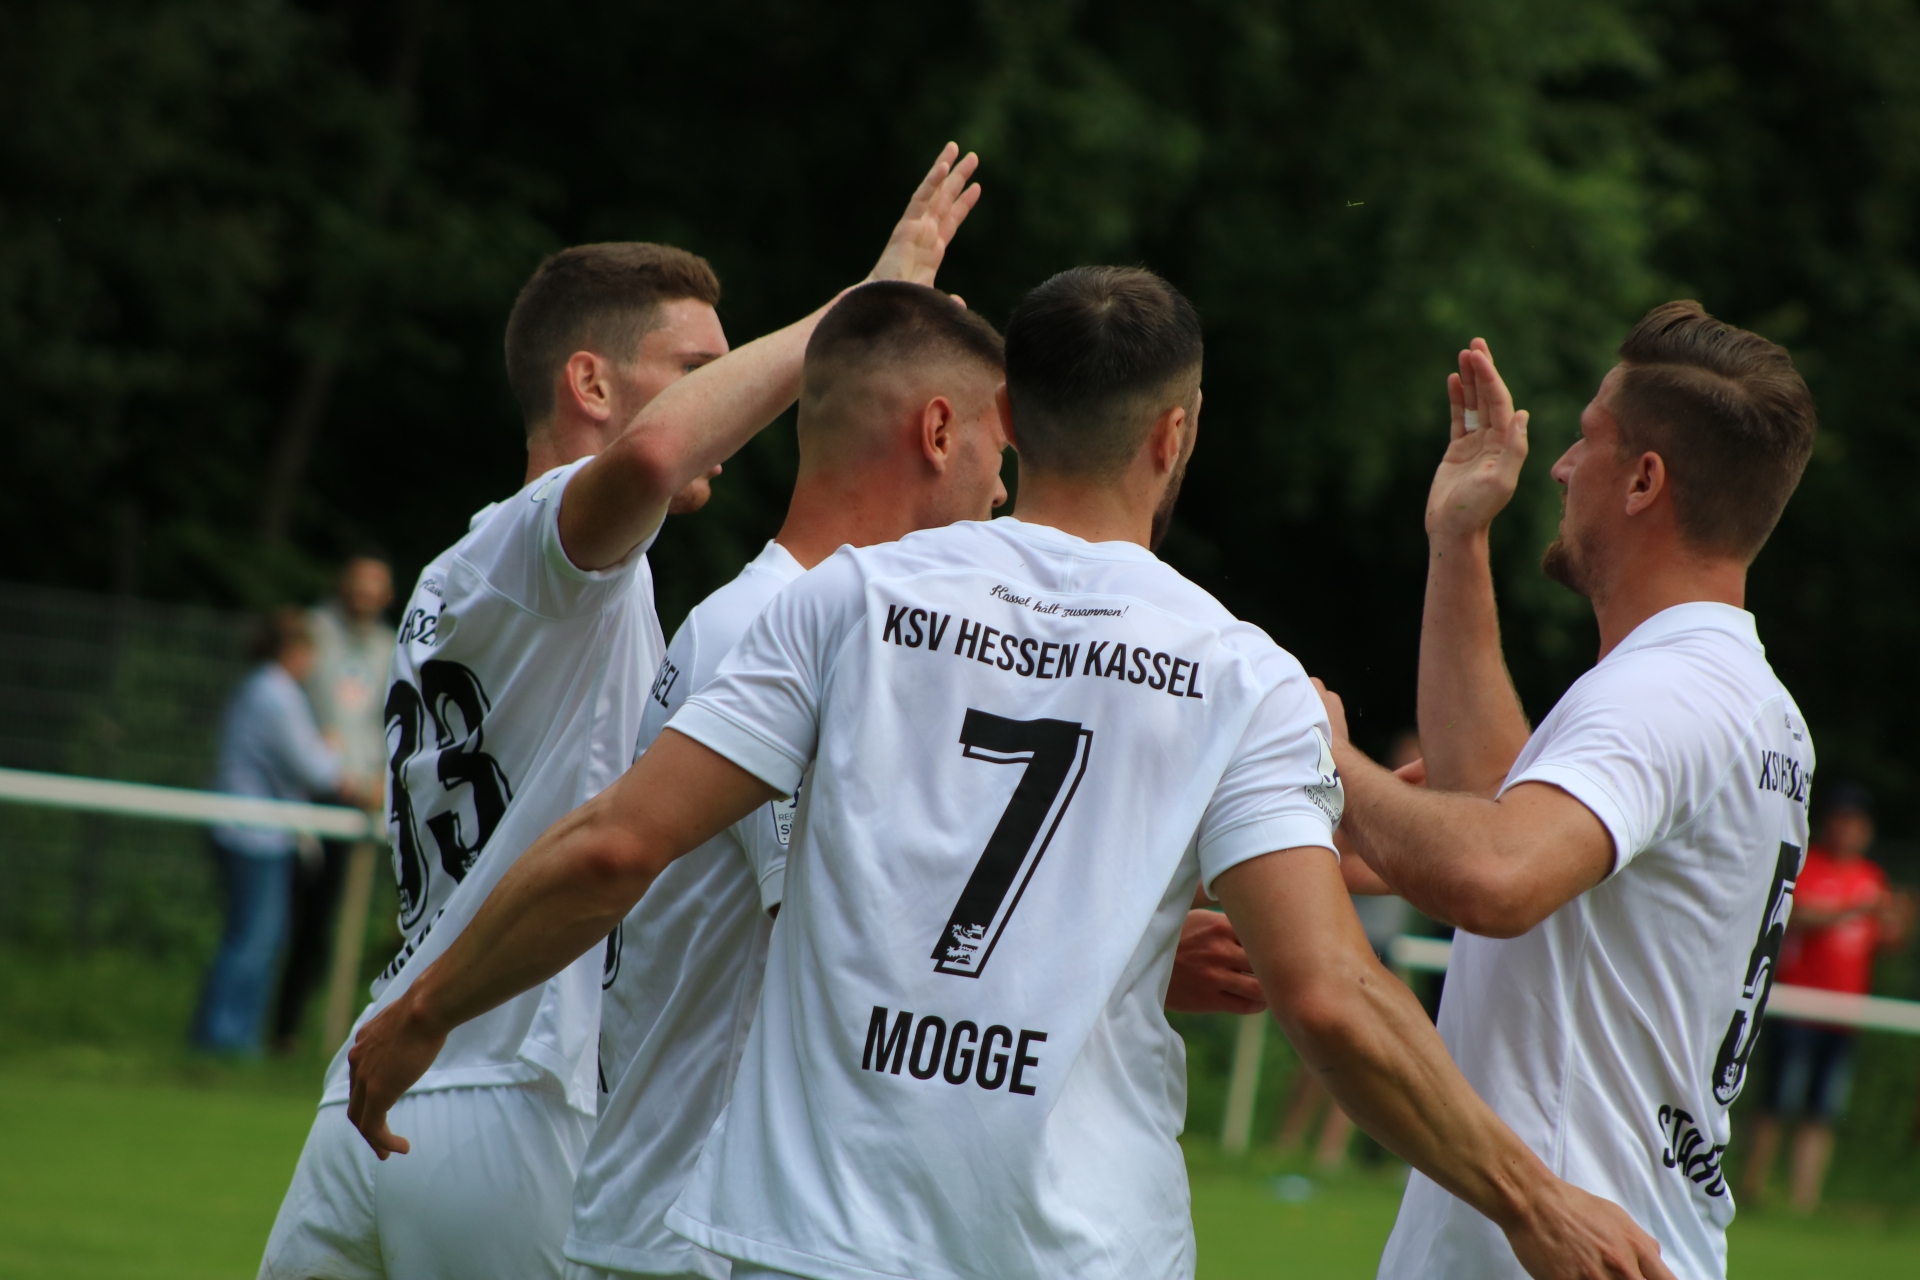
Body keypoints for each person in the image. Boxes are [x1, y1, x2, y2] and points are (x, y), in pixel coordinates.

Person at [346, 266, 1675, 1280]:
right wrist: (1533, 1197)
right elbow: (1330, 996)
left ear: (1014, 420)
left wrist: (420, 1012)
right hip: (1082, 1248)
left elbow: (613, 848)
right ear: (1174, 435)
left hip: (816, 1241)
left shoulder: (847, 604)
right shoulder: (1237, 670)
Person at [258, 145, 982, 1280]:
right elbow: (652, 453)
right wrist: (863, 313)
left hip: (378, 1087)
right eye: (698, 368)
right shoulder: (545, 552)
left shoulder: (466, 572)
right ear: (590, 385)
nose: (732, 396)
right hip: (510, 1089)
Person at [567, 281, 1267, 1280]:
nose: (1002, 486)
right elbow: (885, 926)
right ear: (941, 432)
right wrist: (1114, 952)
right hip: (691, 1224)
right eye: (994, 443)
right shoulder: (782, 624)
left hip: (721, 1211)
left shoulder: (807, 618)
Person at [1321, 301, 1819, 1279]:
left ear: (1643, 480)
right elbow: (1493, 811)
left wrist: (1322, 756)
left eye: (1587, 437)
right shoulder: (1739, 696)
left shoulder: (1663, 696)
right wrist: (1459, 538)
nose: (1557, 465)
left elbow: (1495, 874)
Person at [1742, 782, 1914, 1211]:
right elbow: (1796, 915)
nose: (1848, 830)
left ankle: (1805, 1199)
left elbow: (1886, 941)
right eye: (1842, 820)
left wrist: (1902, 920)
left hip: (1846, 1012)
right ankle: (1752, 1187)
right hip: (1798, 1004)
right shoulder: (1808, 865)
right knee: (1775, 1098)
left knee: (1823, 1108)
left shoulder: (1871, 877)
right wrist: (1856, 908)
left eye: (1856, 822)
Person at [193, 608, 349, 1055]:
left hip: (249, 828)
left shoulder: (259, 688)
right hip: (254, 833)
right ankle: (225, 1040)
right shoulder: (277, 695)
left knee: (250, 935)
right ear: (295, 651)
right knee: (254, 938)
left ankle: (228, 1036)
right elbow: (314, 768)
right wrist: (333, 750)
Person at [1276, 728, 1423, 1168]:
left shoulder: (1423, 820)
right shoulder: (1361, 804)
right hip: (1347, 937)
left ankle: (1328, 1153)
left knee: (1362, 1052)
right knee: (1325, 1049)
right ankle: (1290, 1141)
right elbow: (1330, 854)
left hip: (1383, 946)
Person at [273, 553, 395, 1054]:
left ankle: (293, 1032)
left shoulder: (389, 646)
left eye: (375, 586)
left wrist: (380, 778)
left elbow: (388, 717)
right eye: (358, 584)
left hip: (358, 797)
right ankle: (259, 1028)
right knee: (281, 915)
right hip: (304, 791)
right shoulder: (313, 631)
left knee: (323, 923)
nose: (365, 595)